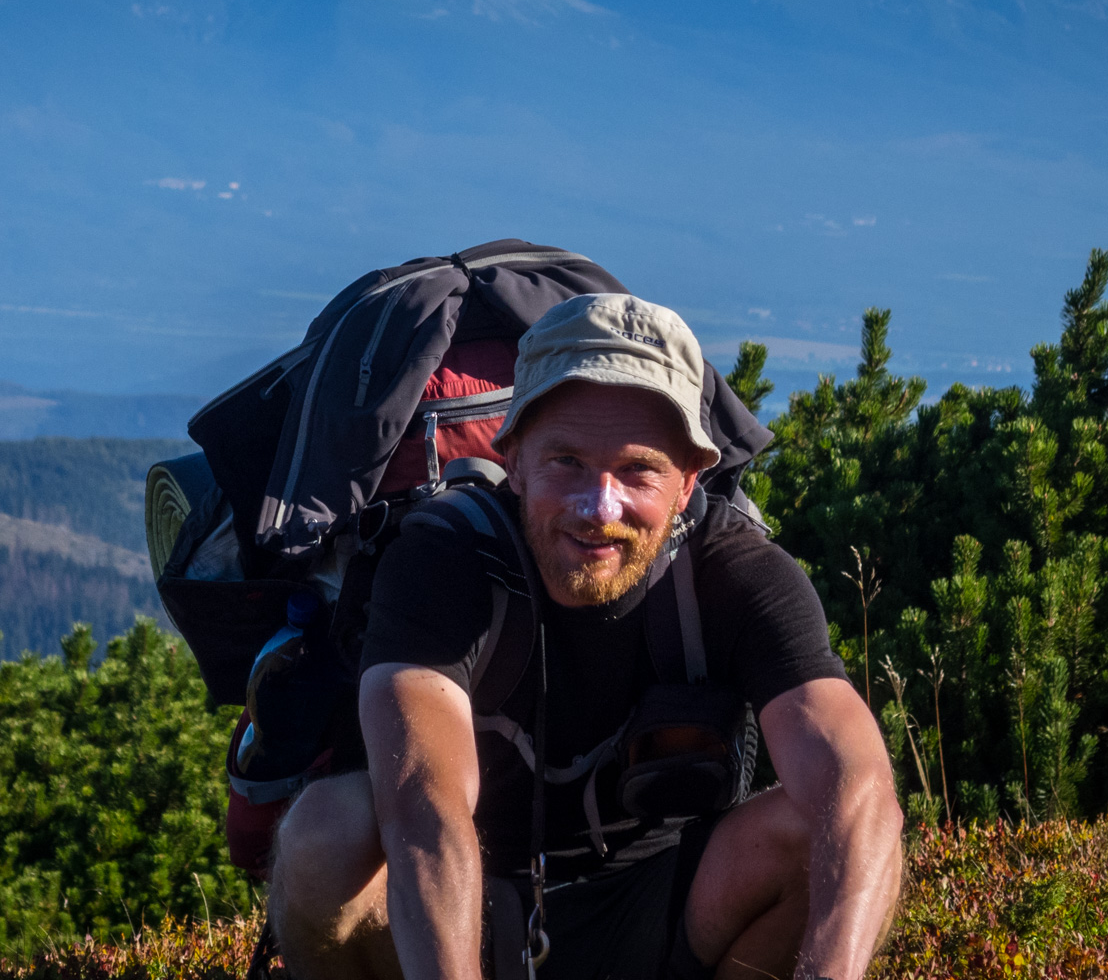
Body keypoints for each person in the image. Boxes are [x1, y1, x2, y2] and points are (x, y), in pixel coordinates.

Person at [269, 294, 904, 980]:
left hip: (663, 907)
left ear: (690, 481)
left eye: (638, 470)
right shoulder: (442, 563)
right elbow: (425, 806)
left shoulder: (738, 573)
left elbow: (856, 786)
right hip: (470, 917)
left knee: (830, 832)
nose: (599, 508)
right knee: (326, 835)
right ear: (512, 460)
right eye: (566, 461)